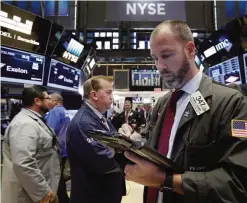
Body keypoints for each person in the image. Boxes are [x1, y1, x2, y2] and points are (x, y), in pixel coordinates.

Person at [123, 20, 247, 203]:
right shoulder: (163, 104)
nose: (160, 66)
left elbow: (237, 184)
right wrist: (132, 144)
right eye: (155, 58)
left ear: (189, 50)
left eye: (166, 55)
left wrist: (166, 181)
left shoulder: (232, 103)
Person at [66, 75, 125, 203]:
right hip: (92, 195)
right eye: (108, 92)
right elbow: (103, 160)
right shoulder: (83, 123)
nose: (112, 96)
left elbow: (116, 144)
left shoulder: (101, 118)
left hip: (104, 192)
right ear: (94, 95)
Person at [1, 86, 61, 203]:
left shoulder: (34, 121)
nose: (50, 101)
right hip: (30, 195)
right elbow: (24, 163)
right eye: (47, 98)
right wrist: (43, 193)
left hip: (39, 191)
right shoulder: (24, 124)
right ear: (37, 101)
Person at [46, 93, 70, 203]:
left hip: (57, 151)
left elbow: (49, 131)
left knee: (56, 179)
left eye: (49, 99)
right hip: (64, 149)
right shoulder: (64, 111)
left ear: (56, 101)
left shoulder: (55, 112)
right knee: (59, 178)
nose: (47, 101)